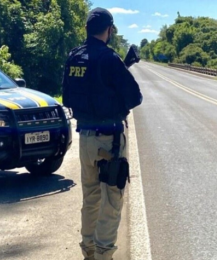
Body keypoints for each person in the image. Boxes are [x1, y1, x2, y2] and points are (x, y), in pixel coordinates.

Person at [62, 7, 143, 260]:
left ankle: (88, 251)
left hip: (85, 139)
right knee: (112, 200)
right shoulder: (109, 58)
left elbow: (73, 94)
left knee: (91, 198)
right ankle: (104, 255)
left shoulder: (75, 56)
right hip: (109, 141)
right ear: (109, 29)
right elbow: (134, 97)